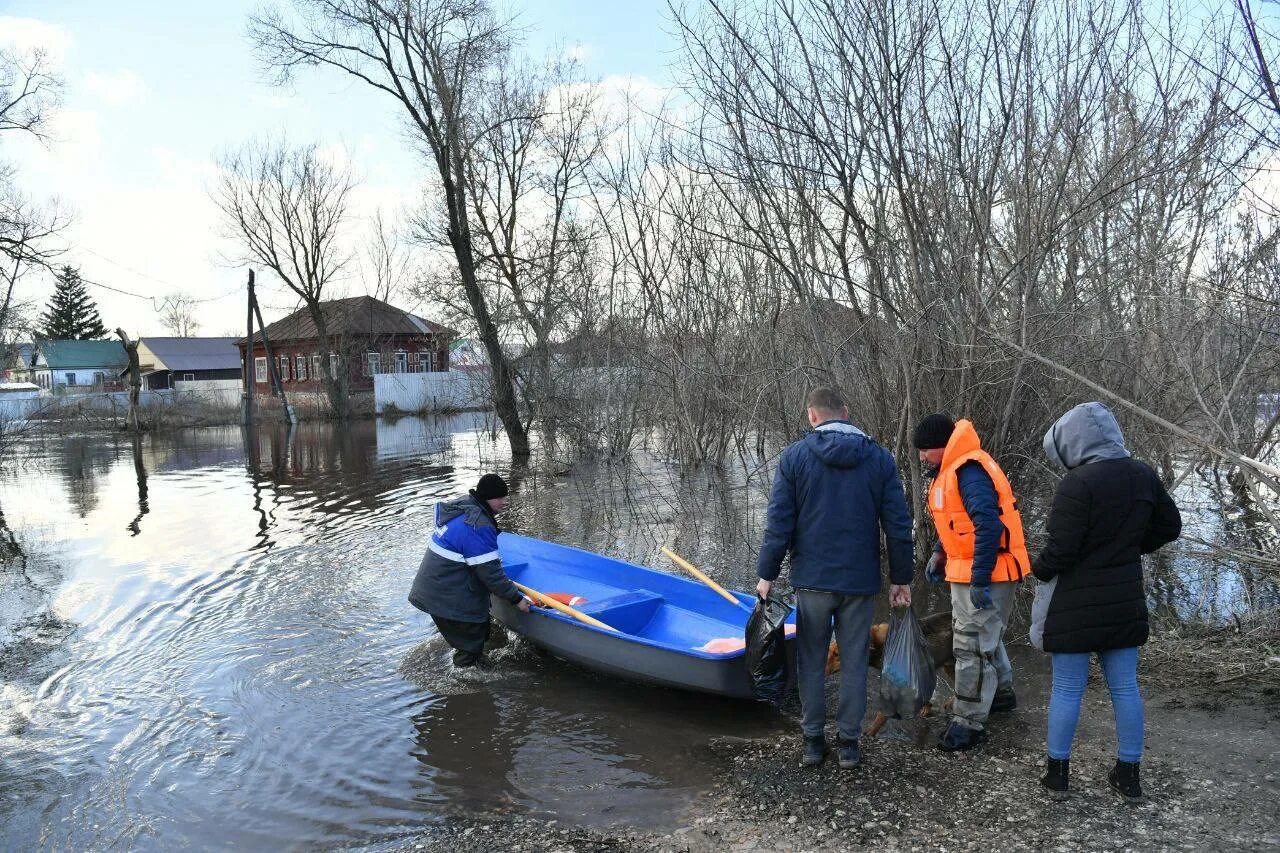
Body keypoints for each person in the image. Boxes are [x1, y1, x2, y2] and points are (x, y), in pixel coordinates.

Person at [1030, 402, 1181, 803]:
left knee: (1066, 689)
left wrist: (1037, 568)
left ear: (1074, 442)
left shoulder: (1078, 484)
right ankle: (1128, 777)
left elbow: (1061, 551)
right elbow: (1170, 526)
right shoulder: (1142, 473)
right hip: (1123, 599)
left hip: (1074, 604)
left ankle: (1057, 776)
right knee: (1126, 688)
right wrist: (1130, 547)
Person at [756, 386, 914, 770]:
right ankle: (848, 744)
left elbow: (780, 523)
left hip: (812, 580)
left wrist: (767, 574)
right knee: (856, 661)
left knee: (811, 661)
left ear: (812, 416)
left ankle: (813, 742)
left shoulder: (794, 458)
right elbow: (897, 525)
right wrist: (901, 578)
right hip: (859, 583)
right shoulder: (879, 459)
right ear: (846, 413)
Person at [913, 414, 1031, 752]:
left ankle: (968, 722)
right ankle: (1002, 695)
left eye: (925, 451)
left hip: (986, 574)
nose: (922, 457)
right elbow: (955, 523)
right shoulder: (953, 469)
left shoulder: (968, 471)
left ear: (941, 446)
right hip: (976, 571)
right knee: (984, 635)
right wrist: (939, 553)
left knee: (969, 644)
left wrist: (979, 579)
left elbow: (989, 526)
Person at [409, 473, 532, 668]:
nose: (504, 502)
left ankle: (474, 671)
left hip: (432, 589)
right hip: (444, 596)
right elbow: (490, 574)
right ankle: (464, 680)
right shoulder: (478, 525)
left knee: (479, 633)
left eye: (505, 496)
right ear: (486, 498)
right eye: (499, 497)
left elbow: (484, 566)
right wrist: (516, 599)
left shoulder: (465, 508)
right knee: (471, 641)